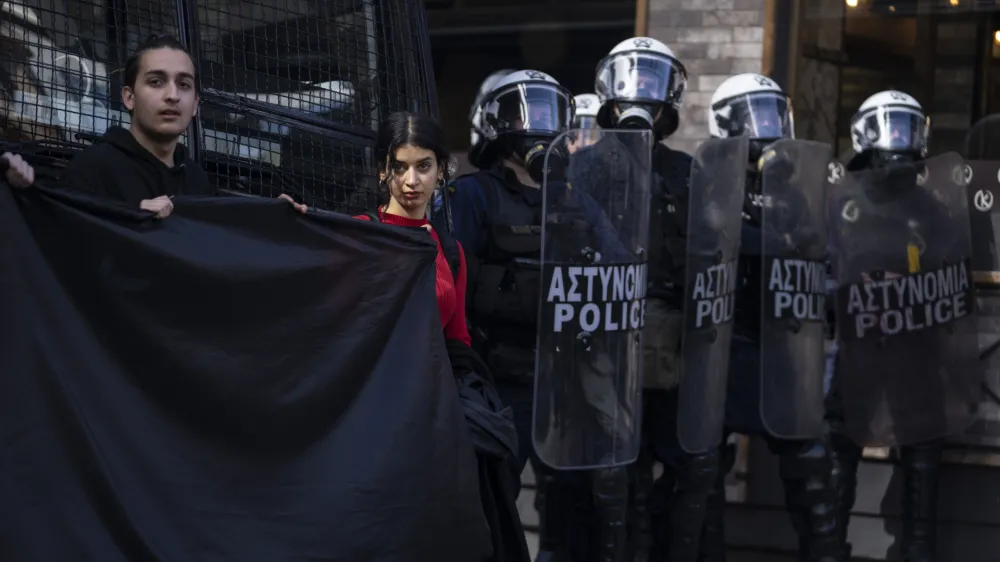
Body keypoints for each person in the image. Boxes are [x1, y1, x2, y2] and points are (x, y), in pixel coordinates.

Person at [355, 110, 530, 562]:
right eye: (399, 166)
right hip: (374, 424)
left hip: (436, 426)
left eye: (424, 166)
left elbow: (460, 343)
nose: (410, 180)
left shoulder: (449, 249)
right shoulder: (359, 236)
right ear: (382, 170)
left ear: (442, 170)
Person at [437, 69, 589, 561]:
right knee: (493, 506)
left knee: (571, 507)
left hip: (566, 379)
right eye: (524, 112)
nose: (537, 126)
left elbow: (616, 262)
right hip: (502, 377)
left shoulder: (573, 198)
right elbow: (451, 278)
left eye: (549, 112)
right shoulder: (474, 195)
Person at [825, 90, 974, 562]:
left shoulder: (932, 208)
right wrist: (853, 289)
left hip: (917, 348)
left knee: (924, 449)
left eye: (909, 127)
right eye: (891, 126)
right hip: (858, 346)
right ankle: (828, 546)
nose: (900, 139)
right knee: (839, 443)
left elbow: (955, 278)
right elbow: (820, 272)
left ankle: (918, 550)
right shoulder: (841, 202)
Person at [701, 73, 843, 562]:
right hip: (727, 342)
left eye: (771, 111)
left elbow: (815, 251)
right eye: (751, 113)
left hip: (782, 342)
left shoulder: (794, 189)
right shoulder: (711, 181)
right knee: (704, 466)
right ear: (724, 123)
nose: (765, 125)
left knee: (811, 462)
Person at [587, 36, 713, 562]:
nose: (639, 97)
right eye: (629, 83)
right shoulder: (583, 166)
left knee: (693, 463)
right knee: (618, 468)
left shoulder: (687, 172)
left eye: (651, 85)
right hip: (605, 333)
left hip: (675, 339)